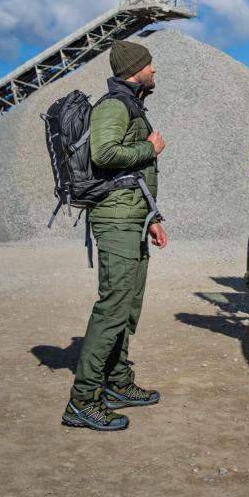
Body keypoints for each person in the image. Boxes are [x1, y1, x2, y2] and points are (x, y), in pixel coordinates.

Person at [62, 39, 168, 431]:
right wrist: (149, 148)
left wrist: (151, 217)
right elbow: (103, 154)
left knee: (128, 306)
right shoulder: (113, 106)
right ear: (135, 69)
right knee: (113, 307)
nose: (154, 70)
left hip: (133, 218)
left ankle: (117, 382)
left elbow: (131, 177)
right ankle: (82, 401)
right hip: (116, 221)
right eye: (149, 64)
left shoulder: (131, 105)